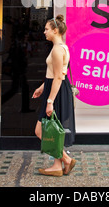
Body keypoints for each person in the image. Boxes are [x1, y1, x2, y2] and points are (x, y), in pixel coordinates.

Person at [33, 15, 76, 177]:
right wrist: (42, 87)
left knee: (40, 130)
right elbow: (56, 74)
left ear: (55, 31)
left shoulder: (58, 49)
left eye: (46, 29)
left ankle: (65, 159)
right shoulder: (61, 47)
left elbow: (58, 77)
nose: (44, 32)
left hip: (56, 92)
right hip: (55, 89)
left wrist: (50, 101)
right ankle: (57, 166)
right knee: (53, 131)